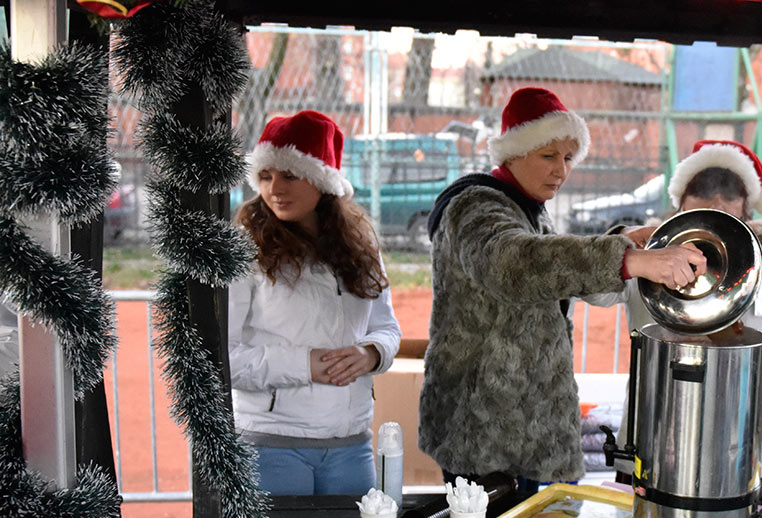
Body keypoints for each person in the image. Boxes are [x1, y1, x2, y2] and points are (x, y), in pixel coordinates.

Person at [418, 87, 707, 494]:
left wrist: (621, 241)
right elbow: (513, 262)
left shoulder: (524, 208)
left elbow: (549, 260)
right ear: (513, 153)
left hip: (521, 428)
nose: (561, 170)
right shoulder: (476, 205)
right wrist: (627, 259)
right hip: (482, 434)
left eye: (569, 158)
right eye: (548, 156)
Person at [588, 140, 762, 480]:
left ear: (746, 210)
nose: (717, 204)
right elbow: (593, 293)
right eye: (703, 196)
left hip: (742, 452)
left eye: (729, 200)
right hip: (654, 446)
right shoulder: (652, 254)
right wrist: (624, 244)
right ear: (681, 204)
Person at [229, 110, 401, 496]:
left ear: (323, 180)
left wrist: (372, 353)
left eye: (290, 174)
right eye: (265, 176)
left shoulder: (360, 244)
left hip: (351, 444)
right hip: (270, 445)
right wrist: (305, 365)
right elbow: (224, 358)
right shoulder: (244, 247)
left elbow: (387, 328)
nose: (275, 188)